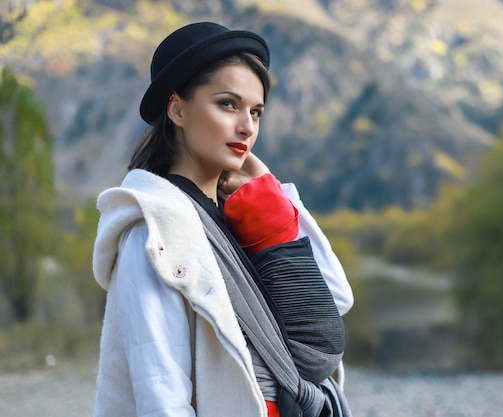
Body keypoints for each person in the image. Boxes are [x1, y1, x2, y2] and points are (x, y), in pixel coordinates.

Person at [91, 21, 353, 417]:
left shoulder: (244, 220)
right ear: (177, 108)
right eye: (228, 104)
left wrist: (270, 195)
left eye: (256, 111)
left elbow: (334, 299)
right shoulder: (154, 227)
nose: (246, 126)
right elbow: (161, 391)